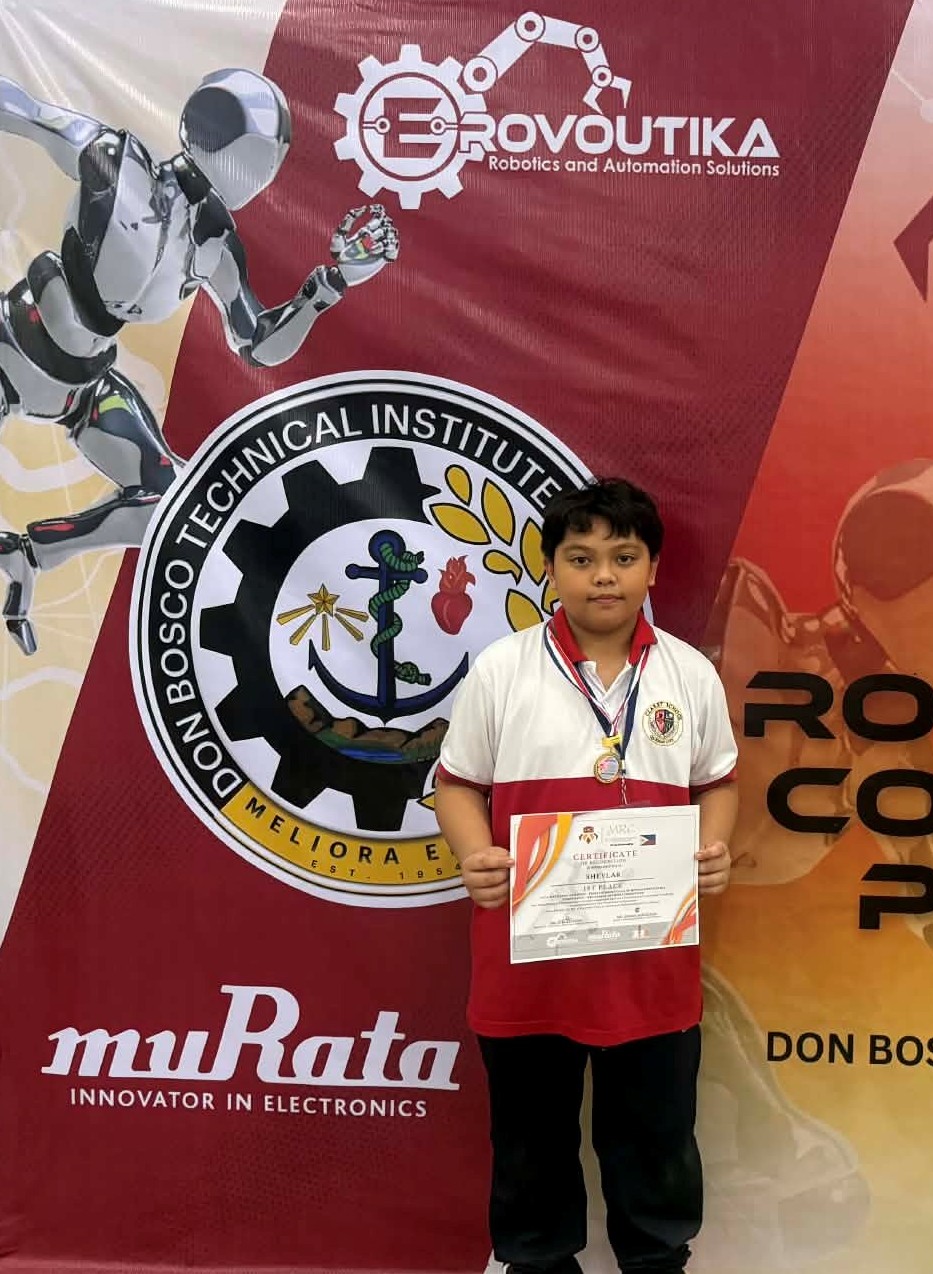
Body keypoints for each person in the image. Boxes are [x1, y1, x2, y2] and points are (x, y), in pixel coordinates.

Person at [434, 477, 737, 1274]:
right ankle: (536, 1263)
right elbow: (456, 784)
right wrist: (473, 855)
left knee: (657, 1138)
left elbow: (719, 783)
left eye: (623, 558)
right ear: (551, 569)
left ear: (653, 569)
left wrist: (713, 848)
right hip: (527, 964)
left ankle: (658, 1260)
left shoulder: (688, 675)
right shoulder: (503, 669)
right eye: (581, 558)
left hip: (650, 962)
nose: (604, 576)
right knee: (529, 1140)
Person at [0, 68, 398, 654]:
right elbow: (24, 111)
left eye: (269, 164)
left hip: (84, 388)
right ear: (210, 129)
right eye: (256, 157)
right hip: (13, 347)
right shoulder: (114, 161)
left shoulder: (211, 243)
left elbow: (256, 344)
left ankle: (31, 553)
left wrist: (329, 286)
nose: (259, 177)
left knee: (174, 502)